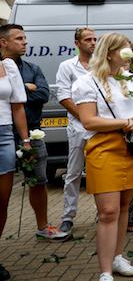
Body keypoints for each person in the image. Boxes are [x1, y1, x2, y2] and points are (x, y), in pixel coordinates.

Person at [73, 32, 133, 281]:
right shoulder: (88, 82)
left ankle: (118, 258)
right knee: (108, 212)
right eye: (124, 49)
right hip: (105, 148)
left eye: (130, 48)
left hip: (131, 148)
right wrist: (129, 121)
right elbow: (88, 120)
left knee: (123, 208)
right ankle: (105, 271)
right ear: (109, 53)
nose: (130, 53)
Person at [0, 24, 69, 242]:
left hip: (31, 132)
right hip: (5, 131)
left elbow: (43, 94)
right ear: (4, 42)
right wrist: (23, 87)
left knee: (38, 181)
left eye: (25, 38)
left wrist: (22, 90)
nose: (25, 42)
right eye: (20, 38)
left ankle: (42, 227)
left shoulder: (33, 68)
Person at [56, 27, 97, 234]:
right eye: (88, 39)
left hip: (99, 127)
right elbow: (63, 96)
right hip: (79, 126)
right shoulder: (67, 66)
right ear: (77, 43)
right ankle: (68, 217)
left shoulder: (101, 66)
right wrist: (86, 118)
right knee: (73, 172)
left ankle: (102, 213)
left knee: (99, 171)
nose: (92, 42)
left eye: (94, 39)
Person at [0, 32, 33, 280]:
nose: (25, 42)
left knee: (2, 201)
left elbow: (17, 106)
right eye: (19, 38)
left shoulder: (8, 66)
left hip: (4, 137)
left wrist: (25, 140)